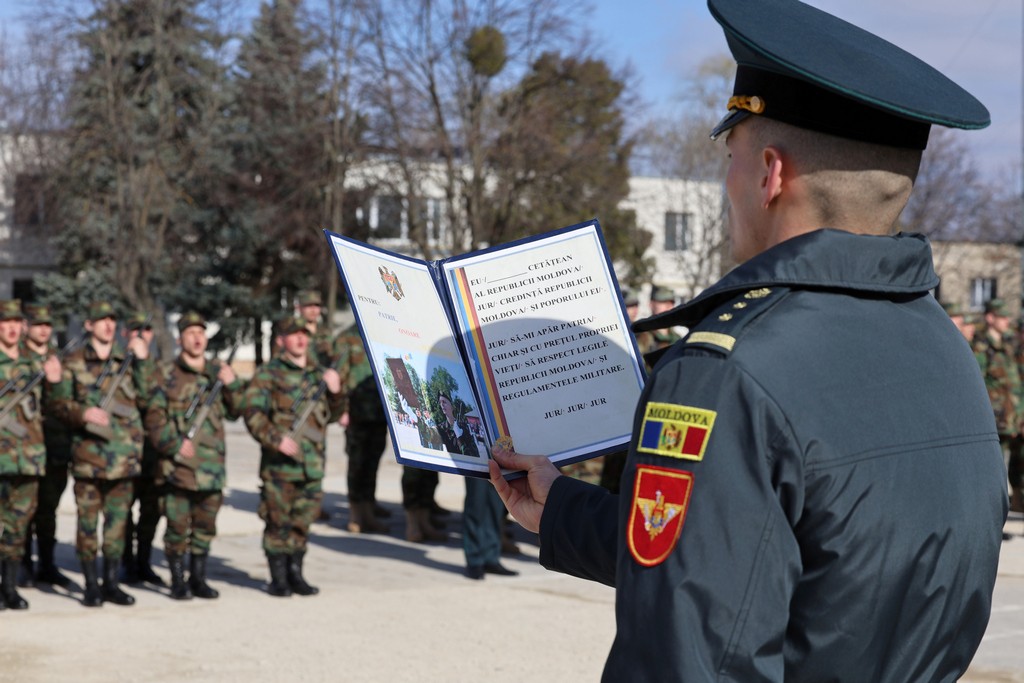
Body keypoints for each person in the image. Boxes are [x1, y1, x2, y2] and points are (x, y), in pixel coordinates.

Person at [488, 0, 1007, 679]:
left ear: (770, 174)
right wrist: (561, 510)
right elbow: (773, 558)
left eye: (729, 157)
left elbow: (693, 654)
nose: (726, 183)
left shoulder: (724, 370)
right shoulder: (942, 344)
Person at [51, 301, 155, 608]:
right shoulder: (73, 362)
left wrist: (144, 362)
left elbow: (149, 400)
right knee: (87, 526)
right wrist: (82, 413)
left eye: (112, 320)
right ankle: (91, 584)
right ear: (88, 325)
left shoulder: (130, 360)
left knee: (117, 526)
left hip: (124, 460)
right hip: (89, 459)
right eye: (101, 320)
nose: (108, 325)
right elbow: (58, 405)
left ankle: (111, 583)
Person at [145, 312, 244, 600]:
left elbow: (237, 411)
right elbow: (154, 417)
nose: (197, 338)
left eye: (201, 332)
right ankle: (178, 580)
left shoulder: (217, 372)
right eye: (191, 333)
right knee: (177, 526)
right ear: (180, 339)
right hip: (178, 467)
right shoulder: (165, 373)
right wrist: (172, 444)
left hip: (211, 468)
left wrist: (232, 384)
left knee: (205, 527)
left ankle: (198, 578)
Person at [242, 316, 343, 597]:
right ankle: (278, 578)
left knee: (302, 522)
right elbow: (253, 414)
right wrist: (276, 439)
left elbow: (333, 415)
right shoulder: (268, 374)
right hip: (280, 467)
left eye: (304, 334)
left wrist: (336, 391)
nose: (300, 339)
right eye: (293, 334)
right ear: (281, 340)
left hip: (312, 465)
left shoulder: (318, 374)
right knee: (278, 522)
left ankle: (296, 574)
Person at [0, 299, 63, 610]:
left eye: (16, 322)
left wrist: (55, 382)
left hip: (28, 459)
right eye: (5, 322)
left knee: (17, 527)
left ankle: (9, 588)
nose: (11, 328)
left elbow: (56, 408)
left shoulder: (35, 363)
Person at [20, 303, 76, 591]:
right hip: (24, 448)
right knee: (23, 509)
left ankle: (47, 564)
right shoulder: (16, 357)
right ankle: (22, 564)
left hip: (55, 447)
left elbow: (69, 404)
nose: (43, 329)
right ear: (27, 326)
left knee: (48, 509)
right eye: (37, 324)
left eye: (47, 325)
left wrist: (56, 381)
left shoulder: (60, 360)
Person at [433, 390, 516, 580]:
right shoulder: (448, 425)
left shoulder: (462, 422)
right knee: (476, 504)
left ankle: (491, 557)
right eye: (441, 402)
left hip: (498, 447)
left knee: (496, 504)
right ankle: (475, 560)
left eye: (445, 402)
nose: (443, 405)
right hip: (475, 459)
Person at [120, 311, 165, 586]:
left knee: (151, 511)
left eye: (146, 330)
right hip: (124, 453)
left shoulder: (160, 369)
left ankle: (144, 562)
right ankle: (126, 563)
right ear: (125, 334)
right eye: (136, 330)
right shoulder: (116, 366)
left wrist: (144, 362)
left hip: (152, 453)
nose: (141, 335)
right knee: (123, 512)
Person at [335, 325, 389, 535]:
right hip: (357, 413)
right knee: (357, 463)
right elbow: (339, 376)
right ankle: (355, 514)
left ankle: (368, 511)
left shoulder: (380, 329)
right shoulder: (346, 338)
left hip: (379, 411)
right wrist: (342, 409)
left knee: (372, 461)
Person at [976, 298, 1023, 530]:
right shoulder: (981, 347)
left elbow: (1014, 386)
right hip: (994, 422)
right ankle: (990, 521)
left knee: (1012, 470)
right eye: (1002, 316)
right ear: (990, 317)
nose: (1006, 321)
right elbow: (977, 385)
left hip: (1012, 420)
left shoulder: (1007, 347)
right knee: (994, 474)